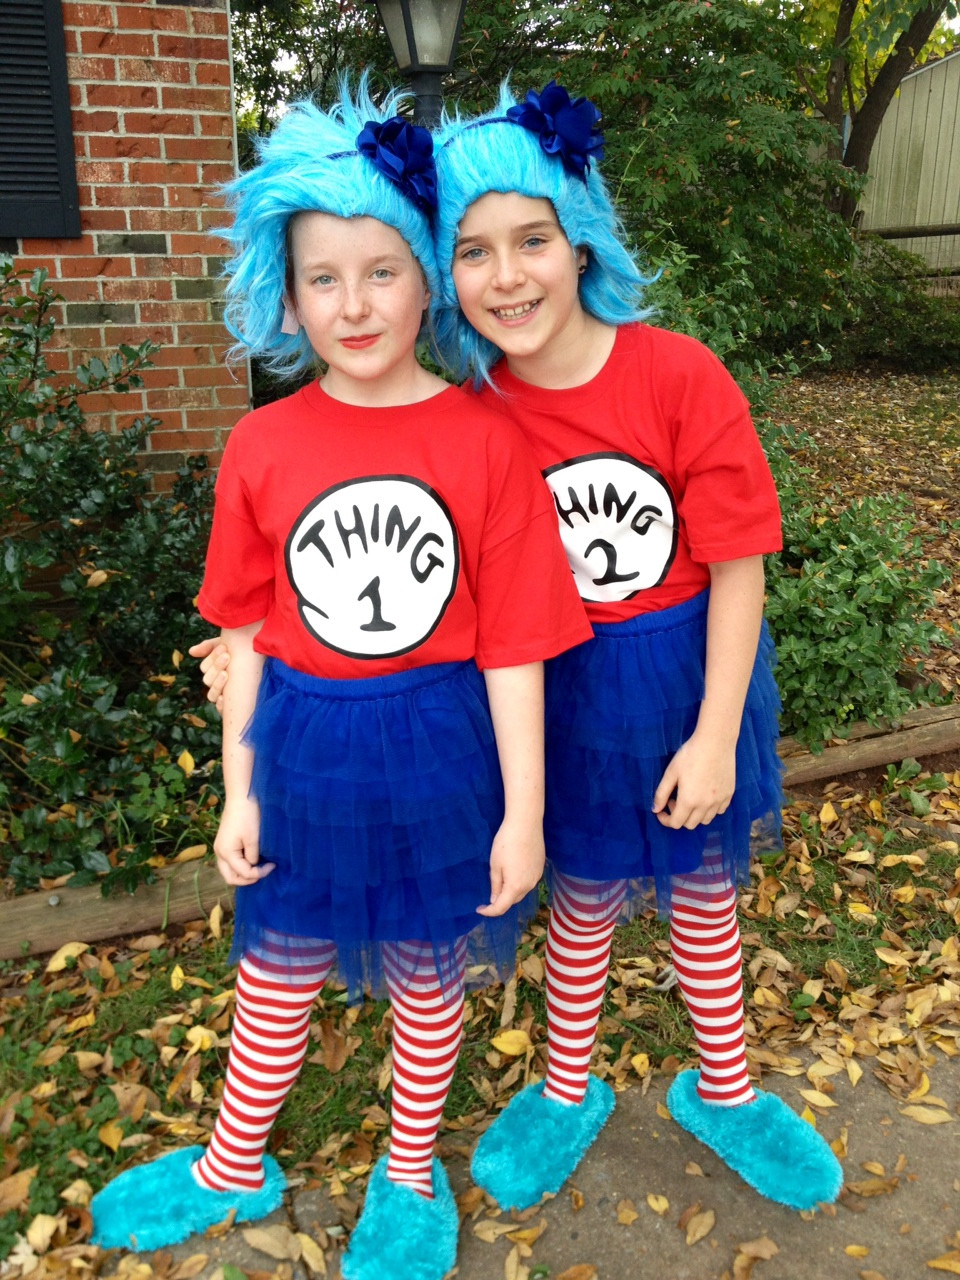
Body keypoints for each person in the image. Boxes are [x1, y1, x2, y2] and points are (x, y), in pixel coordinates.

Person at [89, 82, 591, 1280]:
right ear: (287, 288)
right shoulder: (262, 445)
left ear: (428, 278)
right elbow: (250, 634)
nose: (354, 304)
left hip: (441, 754)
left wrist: (522, 812)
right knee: (279, 964)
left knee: (430, 969)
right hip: (306, 749)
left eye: (381, 270)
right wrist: (236, 789)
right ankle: (229, 1159)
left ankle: (408, 1162)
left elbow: (515, 640)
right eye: (325, 276)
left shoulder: (485, 440)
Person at [423, 80, 844, 1213]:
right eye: (473, 252)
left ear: (580, 238)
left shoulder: (677, 374)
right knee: (587, 893)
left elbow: (740, 560)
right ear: (445, 275)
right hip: (551, 692)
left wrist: (714, 734)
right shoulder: (466, 412)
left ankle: (726, 1086)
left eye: (532, 240)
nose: (507, 276)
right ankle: (568, 1089)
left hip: (678, 679)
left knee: (702, 891)